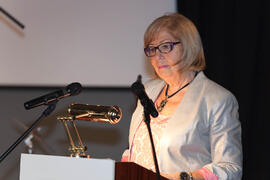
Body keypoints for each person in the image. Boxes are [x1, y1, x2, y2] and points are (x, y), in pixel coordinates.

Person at [121, 13, 242, 180]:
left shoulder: (217, 99)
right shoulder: (147, 91)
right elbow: (136, 150)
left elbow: (230, 168)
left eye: (165, 46)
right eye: (152, 48)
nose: (158, 56)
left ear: (187, 46)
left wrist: (183, 178)